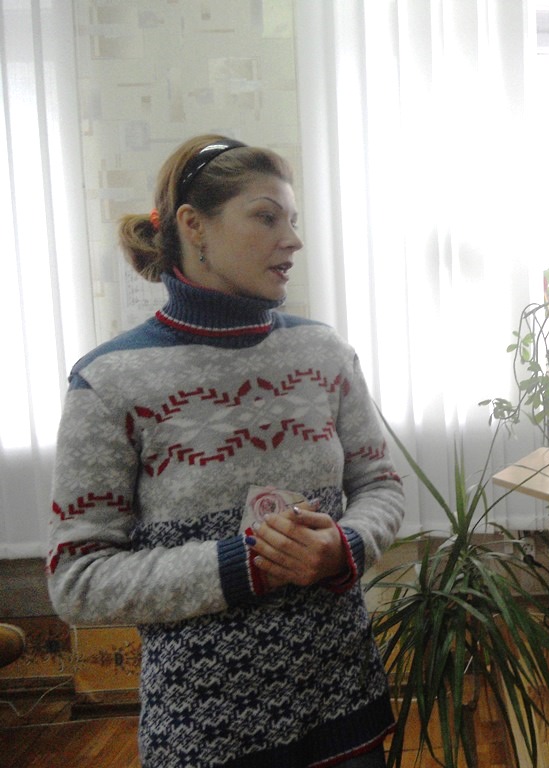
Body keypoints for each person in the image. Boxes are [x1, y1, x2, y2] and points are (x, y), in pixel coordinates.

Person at [46, 135, 405, 768]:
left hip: (345, 708)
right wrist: (242, 567)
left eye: (292, 219)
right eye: (267, 217)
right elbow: (78, 581)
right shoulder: (110, 380)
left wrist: (344, 546)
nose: (292, 240)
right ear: (194, 225)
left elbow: (380, 485)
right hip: (207, 735)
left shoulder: (324, 352)